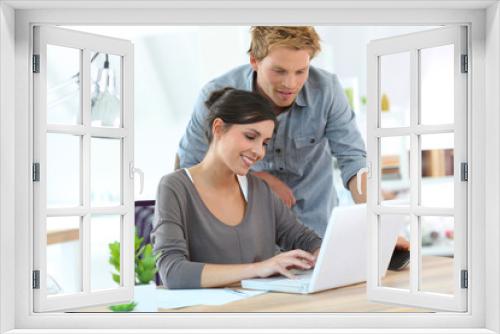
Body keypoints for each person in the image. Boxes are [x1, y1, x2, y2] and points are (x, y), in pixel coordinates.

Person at [152, 88, 322, 289]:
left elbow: (305, 240)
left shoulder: (260, 190)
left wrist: (320, 254)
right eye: (251, 136)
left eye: (265, 143)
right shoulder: (175, 188)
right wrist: (259, 268)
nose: (259, 151)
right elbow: (173, 272)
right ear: (218, 128)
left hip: (261, 310)